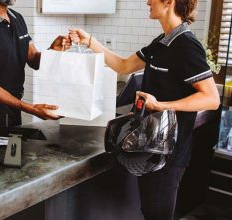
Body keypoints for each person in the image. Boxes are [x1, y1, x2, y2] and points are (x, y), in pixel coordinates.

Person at [69, 0, 220, 219]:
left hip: (169, 155)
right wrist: (90, 41)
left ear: (169, 2)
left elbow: (211, 98)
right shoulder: (161, 43)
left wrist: (160, 105)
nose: (147, 2)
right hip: (151, 150)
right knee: (149, 212)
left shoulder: (186, 44)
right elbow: (123, 66)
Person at [0, 0, 70, 135]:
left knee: (12, 153)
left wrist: (53, 50)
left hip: (14, 106)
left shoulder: (17, 18)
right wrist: (31, 108)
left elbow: (33, 59)